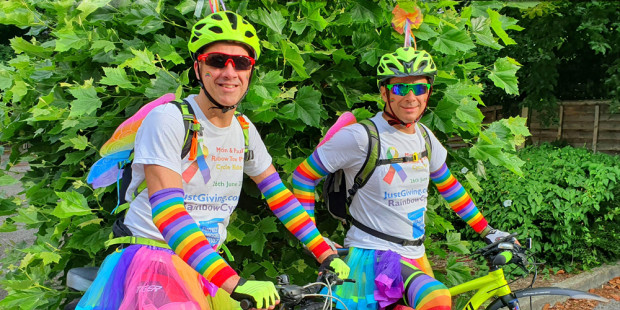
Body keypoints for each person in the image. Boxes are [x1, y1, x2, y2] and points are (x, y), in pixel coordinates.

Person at [76, 11, 348, 310]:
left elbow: (279, 196)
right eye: (218, 61)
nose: (230, 72)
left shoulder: (243, 129)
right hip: (153, 256)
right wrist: (237, 283)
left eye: (241, 63)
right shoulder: (169, 119)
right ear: (198, 68)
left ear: (250, 72)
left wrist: (326, 253)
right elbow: (168, 213)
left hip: (205, 262)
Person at [292, 47, 513, 310]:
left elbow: (450, 187)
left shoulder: (425, 137)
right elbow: (303, 177)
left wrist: (488, 232)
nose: (411, 97)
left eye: (419, 89)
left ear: (428, 92)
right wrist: (315, 240)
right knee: (437, 299)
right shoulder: (361, 137)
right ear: (384, 92)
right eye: (400, 89)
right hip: (373, 255)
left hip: (415, 256)